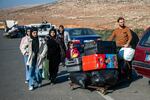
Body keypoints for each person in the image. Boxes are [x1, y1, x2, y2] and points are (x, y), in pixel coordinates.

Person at [108, 17, 133, 81]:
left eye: (123, 22)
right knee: (116, 61)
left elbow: (130, 37)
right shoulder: (116, 30)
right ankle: (119, 75)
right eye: (121, 22)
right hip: (118, 47)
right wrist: (105, 42)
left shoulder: (127, 29)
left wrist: (127, 44)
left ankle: (129, 75)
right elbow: (111, 38)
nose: (122, 23)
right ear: (118, 23)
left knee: (127, 61)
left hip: (126, 47)